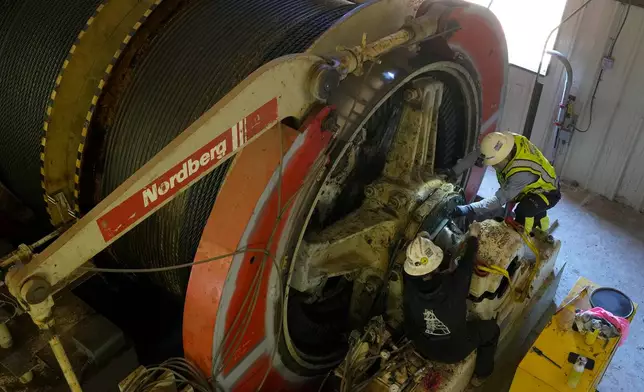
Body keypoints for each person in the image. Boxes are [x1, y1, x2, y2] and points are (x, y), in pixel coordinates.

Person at [402, 224, 499, 384]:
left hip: (422, 346)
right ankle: (482, 374)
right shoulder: (454, 284)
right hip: (454, 351)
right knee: (492, 331)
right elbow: (467, 264)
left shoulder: (408, 287)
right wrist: (473, 237)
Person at [452, 132, 560, 234]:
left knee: (524, 211)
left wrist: (469, 209)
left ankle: (522, 241)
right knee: (536, 209)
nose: (493, 166)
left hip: (547, 192)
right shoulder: (503, 142)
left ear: (504, 158)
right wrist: (453, 172)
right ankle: (542, 226)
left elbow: (499, 199)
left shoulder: (520, 172)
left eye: (495, 164)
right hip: (532, 185)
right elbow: (477, 153)